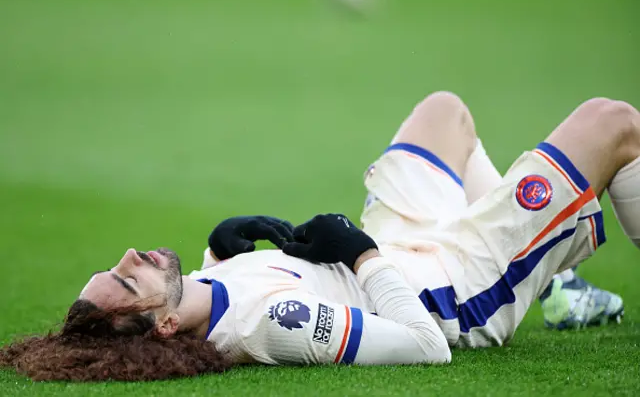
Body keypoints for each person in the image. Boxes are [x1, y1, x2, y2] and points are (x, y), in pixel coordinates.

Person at [2, 92, 639, 382]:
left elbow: (222, 296)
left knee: (444, 111)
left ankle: (557, 272)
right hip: (454, 285)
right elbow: (424, 347)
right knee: (613, 123)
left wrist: (222, 249)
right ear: (163, 326)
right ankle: (535, 260)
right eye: (125, 280)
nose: (128, 257)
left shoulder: (198, 295)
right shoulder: (275, 324)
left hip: (396, 243)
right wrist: (357, 251)